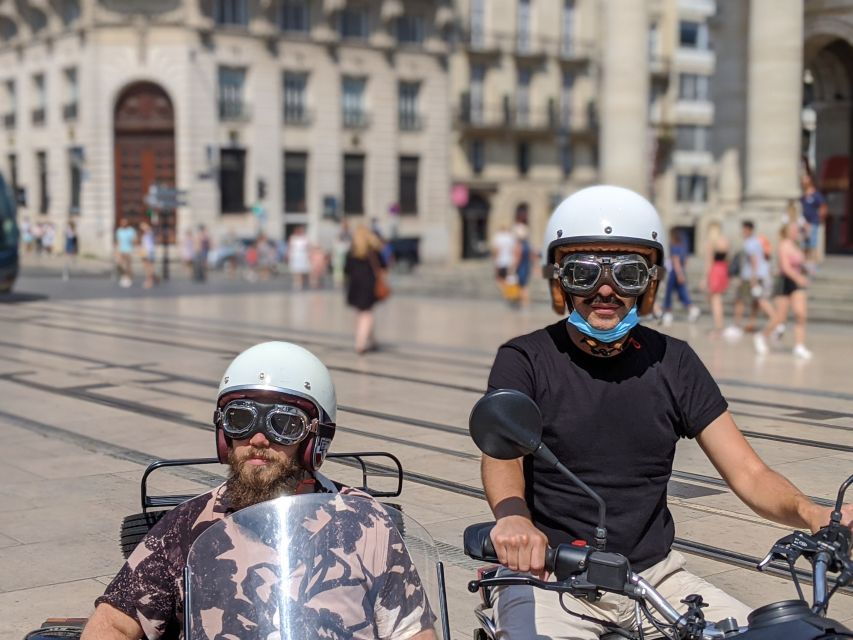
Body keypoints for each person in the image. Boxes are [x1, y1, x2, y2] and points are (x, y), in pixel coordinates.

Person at [482, 185, 852, 640]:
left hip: (655, 578)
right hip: (550, 576)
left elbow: (749, 472)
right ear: (560, 280)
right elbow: (502, 453)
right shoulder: (525, 358)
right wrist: (513, 518)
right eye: (583, 273)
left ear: (649, 282)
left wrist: (812, 512)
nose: (605, 290)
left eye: (628, 273)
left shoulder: (673, 362)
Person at [81, 342, 436, 640]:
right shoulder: (185, 527)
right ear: (224, 434)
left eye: (285, 423)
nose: (259, 438)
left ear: (315, 439)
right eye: (240, 419)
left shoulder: (363, 520)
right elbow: (112, 624)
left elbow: (412, 632)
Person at [756, 221, 812, 360]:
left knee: (800, 314)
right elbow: (785, 267)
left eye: (797, 230)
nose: (796, 232)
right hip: (785, 282)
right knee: (779, 318)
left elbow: (804, 260)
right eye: (793, 230)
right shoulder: (783, 245)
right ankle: (762, 336)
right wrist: (798, 278)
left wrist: (805, 269)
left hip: (797, 284)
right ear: (786, 231)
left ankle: (799, 346)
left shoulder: (797, 245)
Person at [344, 225, 387, 355]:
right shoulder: (372, 251)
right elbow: (383, 266)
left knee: (361, 314)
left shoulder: (351, 252)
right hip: (369, 285)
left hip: (355, 285)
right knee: (367, 314)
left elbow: (347, 269)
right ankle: (360, 343)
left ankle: (372, 341)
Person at [661, 228, 700, 326]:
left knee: (669, 293)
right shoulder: (683, 247)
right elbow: (685, 261)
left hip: (675, 272)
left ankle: (668, 313)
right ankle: (692, 309)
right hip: (681, 271)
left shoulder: (674, 246)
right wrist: (682, 272)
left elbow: (675, 261)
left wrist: (679, 274)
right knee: (681, 292)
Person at [703, 221, 730, 335]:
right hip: (723, 269)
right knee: (718, 300)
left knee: (715, 301)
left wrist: (705, 278)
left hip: (715, 271)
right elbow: (728, 259)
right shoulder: (725, 241)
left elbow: (708, 262)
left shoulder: (711, 243)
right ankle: (720, 326)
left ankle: (718, 328)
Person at [801, 172, 828, 266]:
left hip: (812, 222)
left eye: (805, 179)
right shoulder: (803, 195)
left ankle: (813, 263)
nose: (803, 182)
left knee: (812, 243)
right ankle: (804, 262)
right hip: (803, 223)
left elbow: (823, 207)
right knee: (803, 244)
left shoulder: (816, 195)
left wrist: (818, 219)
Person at [491, 225, 517, 292]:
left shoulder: (498, 237)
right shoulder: (510, 237)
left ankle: (505, 290)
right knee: (508, 278)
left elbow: (496, 250)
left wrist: (495, 261)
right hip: (509, 260)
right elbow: (514, 250)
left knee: (499, 278)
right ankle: (508, 291)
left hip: (501, 261)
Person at [115, 219, 137, 288]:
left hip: (128, 250)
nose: (123, 224)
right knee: (120, 264)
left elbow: (134, 240)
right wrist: (117, 251)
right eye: (122, 222)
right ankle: (124, 276)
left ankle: (129, 278)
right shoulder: (119, 231)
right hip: (121, 250)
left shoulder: (131, 230)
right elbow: (118, 241)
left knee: (128, 265)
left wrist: (134, 246)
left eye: (124, 222)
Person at [288, 225, 311, 290]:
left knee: (302, 270)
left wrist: (308, 255)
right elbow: (290, 247)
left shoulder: (305, 238)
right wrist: (289, 255)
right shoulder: (293, 238)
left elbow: (307, 247)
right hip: (295, 255)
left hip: (303, 255)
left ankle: (301, 282)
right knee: (296, 269)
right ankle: (297, 282)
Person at [139, 221, 157, 289]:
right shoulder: (144, 234)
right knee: (146, 266)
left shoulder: (149, 232)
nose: (142, 227)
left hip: (149, 251)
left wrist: (147, 228)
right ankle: (153, 278)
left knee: (149, 266)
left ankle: (150, 281)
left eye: (143, 225)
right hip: (144, 251)